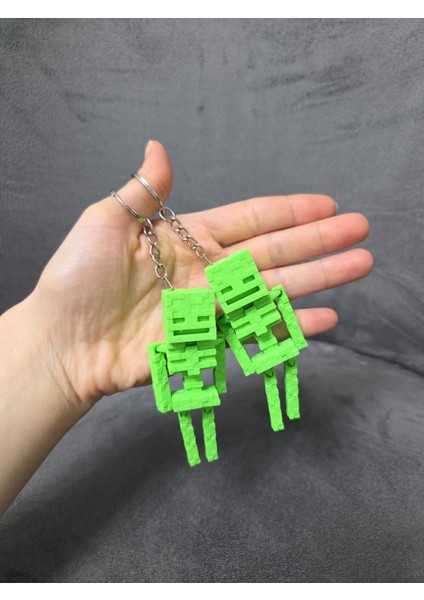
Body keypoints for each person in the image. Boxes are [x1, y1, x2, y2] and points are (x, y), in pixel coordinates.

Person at [0, 141, 373, 516]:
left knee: (277, 375)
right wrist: (222, 370)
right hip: (205, 376)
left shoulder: (243, 306)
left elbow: (230, 337)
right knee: (206, 411)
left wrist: (244, 356)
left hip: (257, 347)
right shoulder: (184, 332)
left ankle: (275, 417)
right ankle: (217, 442)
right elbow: (202, 350)